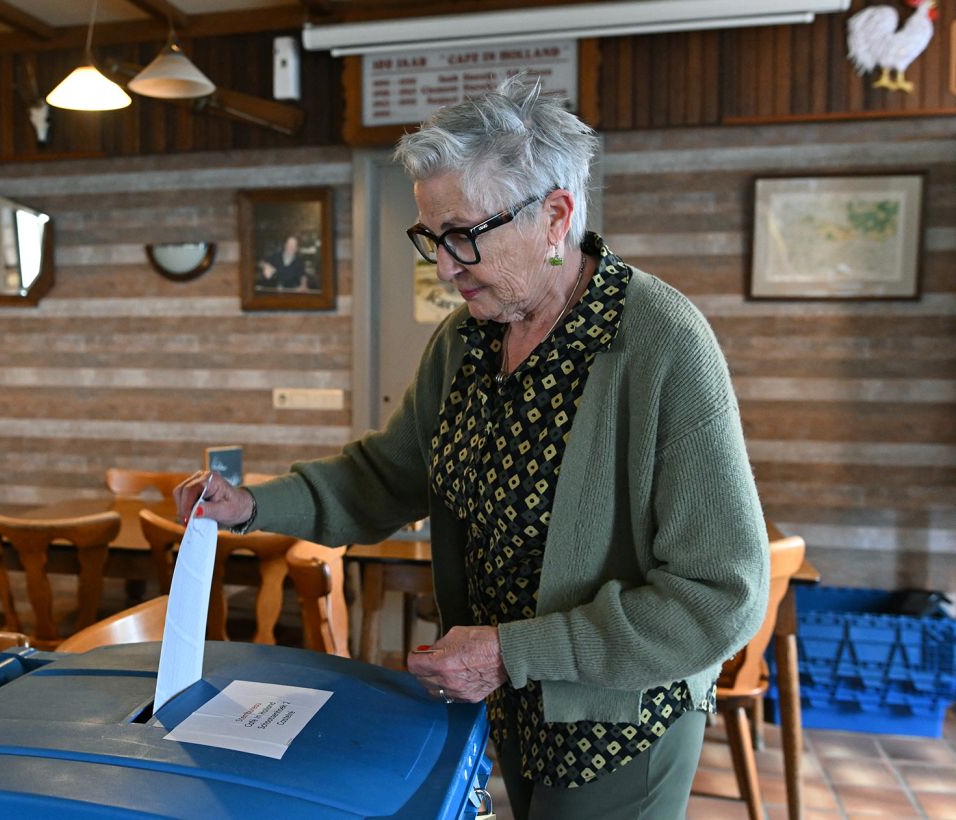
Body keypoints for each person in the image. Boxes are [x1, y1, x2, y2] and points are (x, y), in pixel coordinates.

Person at [177, 73, 768, 819]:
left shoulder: (662, 344)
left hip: (619, 721)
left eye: (463, 235)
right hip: (508, 702)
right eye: (432, 238)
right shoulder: (468, 339)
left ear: (555, 216)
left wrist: (512, 652)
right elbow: (386, 476)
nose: (445, 266)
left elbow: (721, 597)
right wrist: (252, 504)